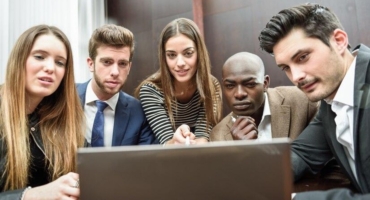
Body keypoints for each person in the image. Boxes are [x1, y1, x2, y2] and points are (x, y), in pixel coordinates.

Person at [259, 3, 370, 199]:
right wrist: (245, 179)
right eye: (285, 67)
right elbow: (300, 155)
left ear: (339, 40)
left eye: (303, 57)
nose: (296, 77)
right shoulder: (330, 103)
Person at [0, 25, 84, 199]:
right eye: (39, 57)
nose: (50, 68)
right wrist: (29, 196)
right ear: (19, 59)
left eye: (60, 62)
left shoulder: (66, 119)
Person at [135, 18, 222, 145]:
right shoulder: (150, 90)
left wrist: (195, 142)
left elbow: (203, 139)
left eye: (188, 53)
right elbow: (166, 143)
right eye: (171, 55)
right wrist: (176, 141)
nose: (180, 63)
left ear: (199, 53)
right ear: (164, 57)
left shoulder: (210, 85)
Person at [77, 24, 156, 147]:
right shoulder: (64, 98)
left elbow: (146, 163)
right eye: (107, 62)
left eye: (122, 64)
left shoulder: (139, 112)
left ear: (129, 67)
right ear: (91, 64)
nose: (115, 72)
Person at [210, 52, 318, 141]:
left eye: (250, 84)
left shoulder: (304, 101)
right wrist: (242, 151)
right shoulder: (218, 136)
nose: (239, 94)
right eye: (230, 86)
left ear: (265, 83)